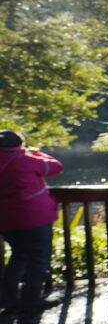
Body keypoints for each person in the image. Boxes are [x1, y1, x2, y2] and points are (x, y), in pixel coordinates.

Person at [0, 130, 64, 314]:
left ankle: (9, 300)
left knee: (18, 256)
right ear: (19, 145)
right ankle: (32, 300)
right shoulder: (25, 159)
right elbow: (56, 167)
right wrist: (36, 152)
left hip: (6, 219)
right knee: (40, 257)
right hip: (35, 217)